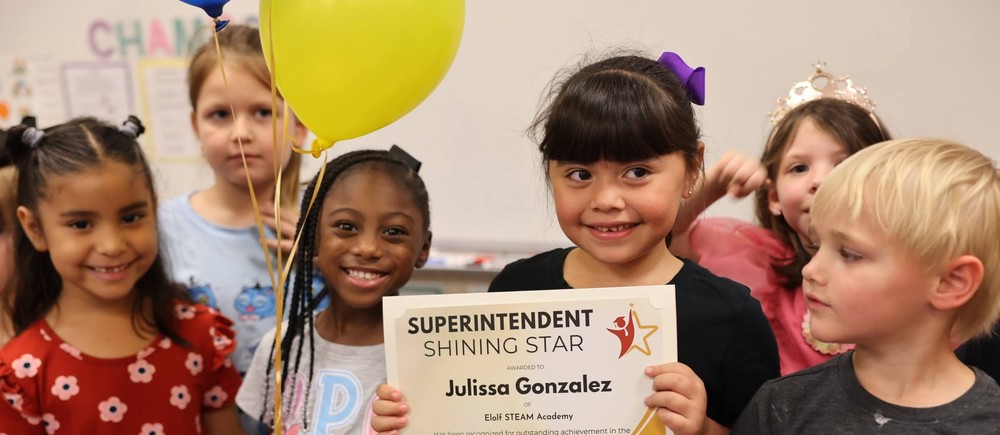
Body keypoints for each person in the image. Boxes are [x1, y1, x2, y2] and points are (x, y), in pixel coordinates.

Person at [372, 52, 779, 435]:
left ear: (692, 168)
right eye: (580, 175)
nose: (606, 201)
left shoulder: (732, 317)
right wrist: (416, 414)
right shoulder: (514, 290)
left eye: (637, 172)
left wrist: (704, 428)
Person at [731, 138, 1000, 433]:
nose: (811, 270)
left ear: (951, 282)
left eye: (849, 254)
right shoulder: (780, 407)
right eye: (815, 245)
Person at [0, 117, 243, 433]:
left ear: (153, 211)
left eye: (131, 217)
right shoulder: (21, 372)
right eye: (81, 224)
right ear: (34, 228)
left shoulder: (199, 333)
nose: (112, 246)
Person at [671, 65, 891, 375]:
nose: (820, 180)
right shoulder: (760, 263)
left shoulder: (903, 270)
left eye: (844, 164)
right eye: (799, 168)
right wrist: (712, 186)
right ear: (773, 197)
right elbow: (666, 234)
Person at [237, 148, 432, 434]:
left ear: (423, 248)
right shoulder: (280, 345)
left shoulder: (428, 357)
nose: (367, 249)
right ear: (312, 237)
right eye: (346, 226)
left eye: (393, 232)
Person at [159, 23, 309, 378]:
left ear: (299, 124)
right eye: (220, 115)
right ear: (196, 126)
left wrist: (327, 252)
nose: (241, 134)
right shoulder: (163, 228)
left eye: (263, 112)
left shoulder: (332, 219)